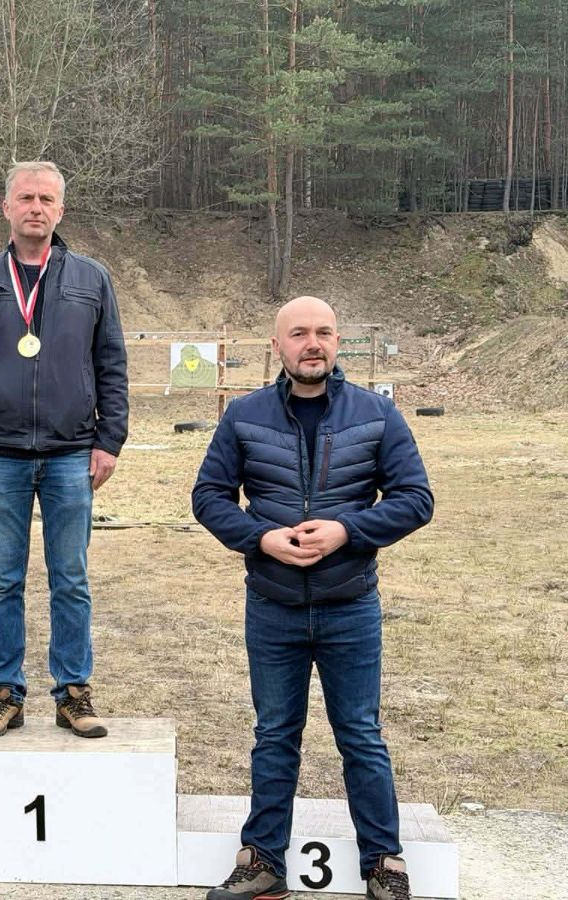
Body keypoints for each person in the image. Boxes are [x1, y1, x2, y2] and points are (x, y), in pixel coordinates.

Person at [191, 296, 434, 900]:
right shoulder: (243, 415)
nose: (312, 343)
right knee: (275, 734)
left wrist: (347, 530)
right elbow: (209, 496)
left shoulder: (377, 414)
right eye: (299, 333)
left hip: (351, 604)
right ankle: (262, 860)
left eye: (323, 332)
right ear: (278, 344)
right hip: (272, 605)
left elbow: (415, 498)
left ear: (337, 341)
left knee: (361, 735)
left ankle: (384, 862)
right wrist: (261, 538)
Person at [0, 161, 129, 739]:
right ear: (6, 207)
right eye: (26, 198)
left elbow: (112, 364)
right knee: (3, 580)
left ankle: (73, 693)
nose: (36, 208)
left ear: (60, 210)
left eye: (46, 199)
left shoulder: (92, 279)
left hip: (72, 454)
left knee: (70, 578)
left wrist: (109, 440)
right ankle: (5, 694)